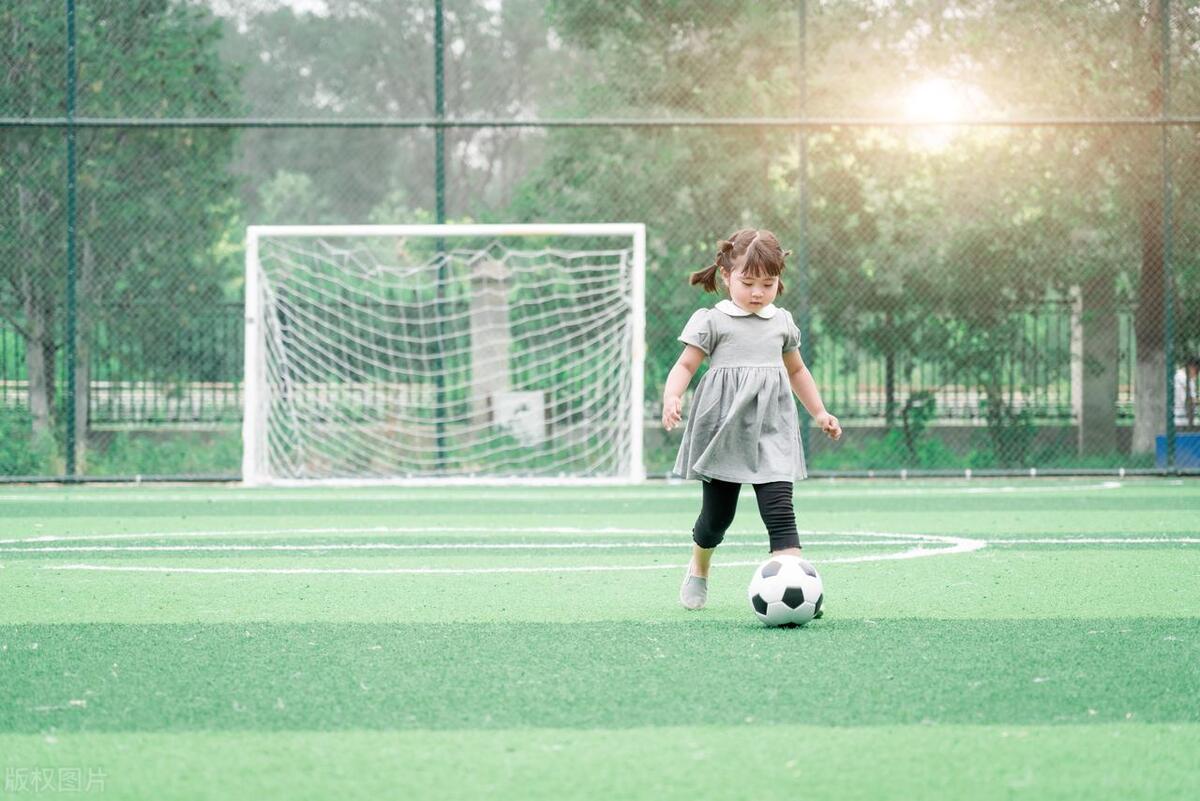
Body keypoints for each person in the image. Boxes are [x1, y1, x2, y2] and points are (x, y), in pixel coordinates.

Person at [662, 228, 841, 611]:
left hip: (772, 428)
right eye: (747, 282)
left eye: (768, 283)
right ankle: (699, 566)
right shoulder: (712, 321)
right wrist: (672, 395)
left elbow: (797, 372)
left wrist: (820, 412)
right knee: (716, 519)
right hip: (724, 429)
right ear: (726, 276)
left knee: (779, 509)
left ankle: (797, 590)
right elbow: (686, 364)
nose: (758, 292)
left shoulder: (782, 322)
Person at [1175, 356, 1200, 428]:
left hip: (1185, 419)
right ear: (1191, 367)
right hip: (1181, 420)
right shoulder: (1183, 377)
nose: (1197, 374)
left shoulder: (1183, 376)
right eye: (1197, 371)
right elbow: (1189, 400)